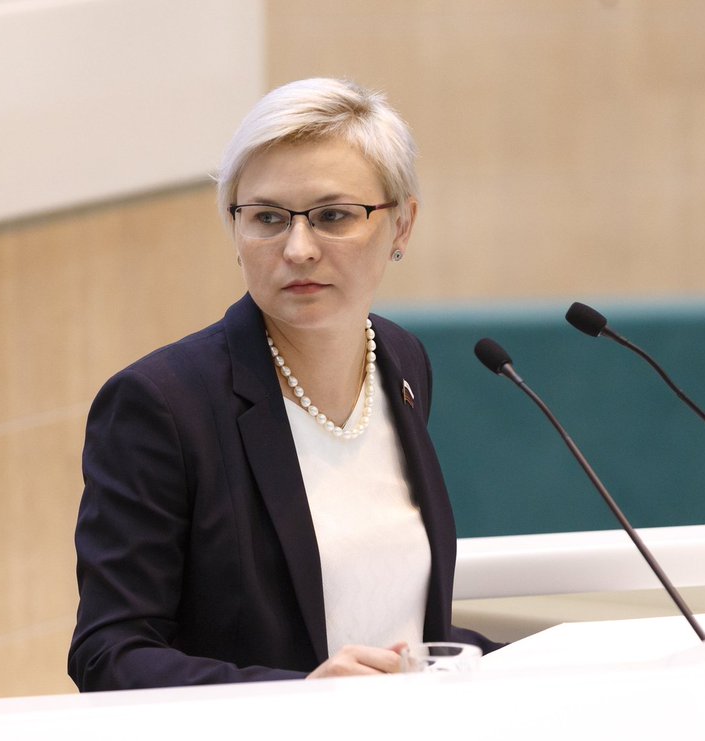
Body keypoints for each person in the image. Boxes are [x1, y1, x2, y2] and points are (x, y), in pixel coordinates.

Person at [68, 78, 499, 691]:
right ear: (234, 229)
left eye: (332, 217)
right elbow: (108, 653)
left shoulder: (401, 362)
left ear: (401, 225)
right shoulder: (163, 404)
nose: (298, 248)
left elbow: (394, 623)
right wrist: (295, 700)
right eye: (268, 218)